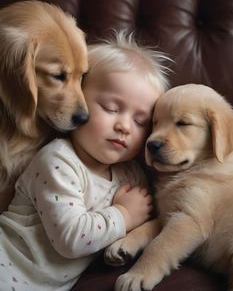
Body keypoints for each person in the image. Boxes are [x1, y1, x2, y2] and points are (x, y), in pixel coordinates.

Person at [0, 31, 170, 291]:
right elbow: (71, 240)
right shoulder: (57, 161)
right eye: (111, 108)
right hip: (8, 265)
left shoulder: (131, 174)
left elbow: (156, 215)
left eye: (140, 122)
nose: (124, 126)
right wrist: (124, 214)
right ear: (78, 103)